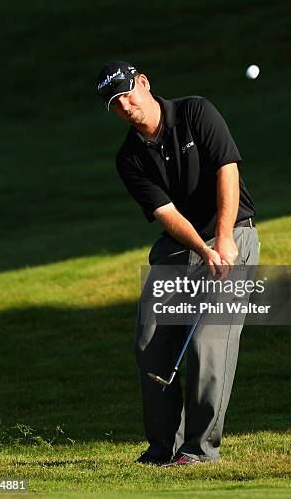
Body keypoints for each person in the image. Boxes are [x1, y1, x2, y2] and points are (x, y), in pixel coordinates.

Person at [96, 60, 259, 466]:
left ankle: (200, 449)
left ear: (144, 82)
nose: (126, 104)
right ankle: (161, 447)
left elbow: (227, 170)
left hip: (232, 231)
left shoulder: (195, 112)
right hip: (179, 245)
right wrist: (201, 250)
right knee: (150, 344)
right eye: (115, 102)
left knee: (208, 343)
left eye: (128, 92)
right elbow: (166, 213)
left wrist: (222, 238)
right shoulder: (128, 158)